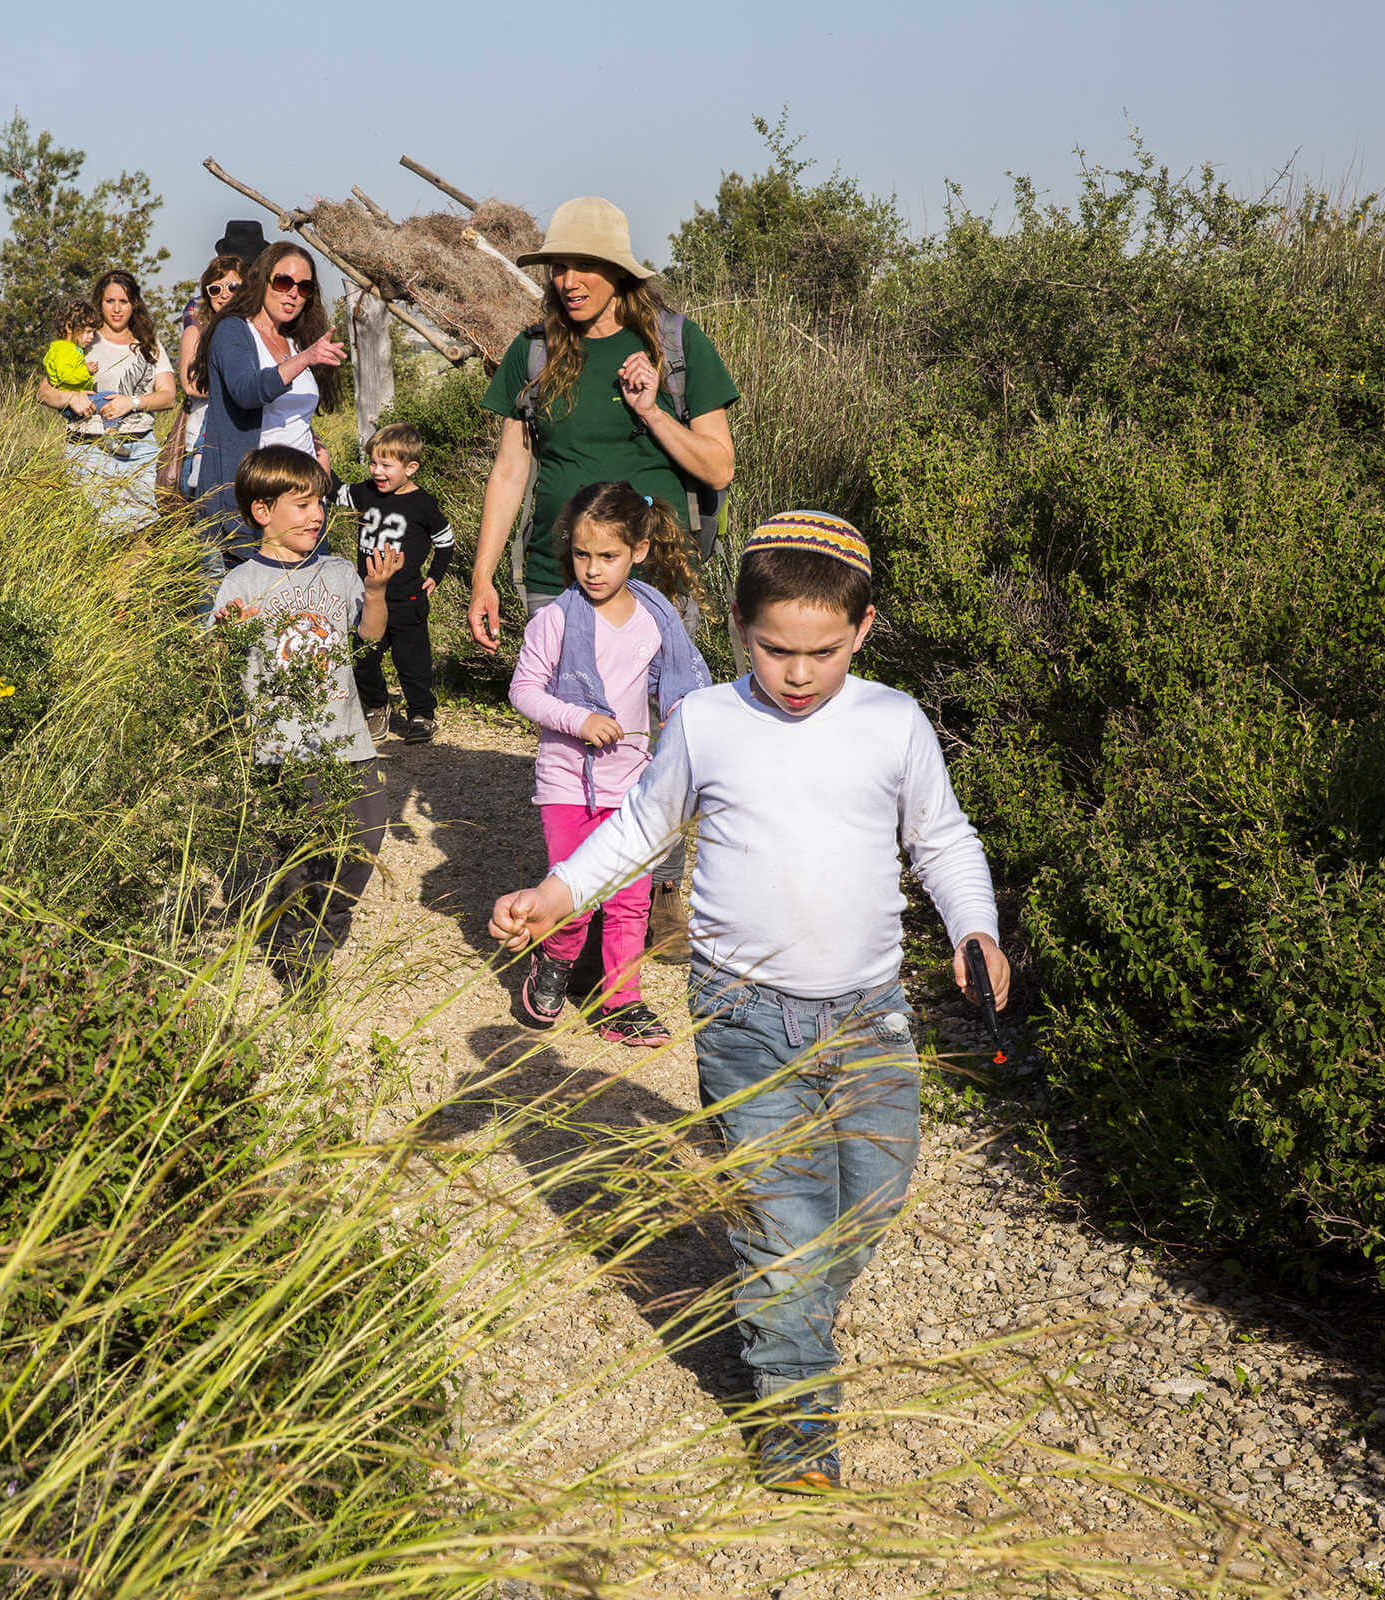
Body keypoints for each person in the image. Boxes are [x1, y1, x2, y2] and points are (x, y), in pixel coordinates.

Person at [485, 512, 1011, 1493]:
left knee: (872, 1190)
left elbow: (943, 840)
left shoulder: (894, 722)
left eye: (822, 650)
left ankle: (781, 1308)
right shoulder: (709, 723)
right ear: (737, 625)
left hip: (866, 1010)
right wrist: (556, 895)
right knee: (785, 1218)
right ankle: (796, 1421)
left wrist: (973, 927)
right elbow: (640, 830)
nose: (799, 672)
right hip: (741, 1013)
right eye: (776, 649)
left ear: (862, 629)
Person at [464, 197, 742, 953]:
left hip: (658, 580)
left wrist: (652, 410)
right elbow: (512, 468)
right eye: (558, 266)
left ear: (621, 273)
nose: (568, 280)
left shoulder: (678, 348)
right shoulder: (532, 352)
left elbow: (718, 465)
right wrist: (483, 576)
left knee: (661, 734)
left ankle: (655, 892)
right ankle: (576, 894)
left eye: (585, 265)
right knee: (573, 735)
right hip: (560, 574)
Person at [506, 483, 711, 1045]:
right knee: (570, 891)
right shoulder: (555, 619)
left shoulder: (655, 618)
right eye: (581, 555)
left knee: (628, 900)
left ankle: (622, 1000)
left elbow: (673, 687)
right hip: (567, 782)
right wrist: (579, 719)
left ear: (639, 551)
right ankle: (554, 964)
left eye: (607, 556)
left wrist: (680, 726)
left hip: (632, 785)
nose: (592, 570)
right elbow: (523, 691)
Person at [210, 445, 400, 989]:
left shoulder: (340, 572)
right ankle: (299, 949)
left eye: (319, 501)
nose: (317, 514)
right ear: (262, 512)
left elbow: (369, 636)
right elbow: (218, 657)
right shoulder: (241, 583)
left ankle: (328, 922)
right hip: (285, 748)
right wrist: (229, 632)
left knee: (364, 839)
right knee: (304, 849)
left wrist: (377, 589)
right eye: (301, 503)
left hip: (350, 740)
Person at [195, 242, 346, 567]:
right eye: (283, 282)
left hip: (305, 497)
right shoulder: (232, 331)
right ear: (262, 280)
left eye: (304, 287)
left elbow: (290, 413)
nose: (293, 293)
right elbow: (247, 391)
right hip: (255, 496)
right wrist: (304, 359)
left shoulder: (298, 338)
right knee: (252, 607)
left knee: (308, 603)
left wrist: (319, 453)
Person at [340, 422, 454, 743]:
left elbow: (445, 542)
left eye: (386, 465)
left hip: (408, 599)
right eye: (373, 463)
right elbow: (336, 491)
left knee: (412, 660)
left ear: (410, 467)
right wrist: (319, 459)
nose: (376, 471)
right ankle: (377, 706)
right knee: (364, 656)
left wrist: (435, 575)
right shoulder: (365, 492)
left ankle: (421, 714)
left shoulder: (423, 505)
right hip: (369, 597)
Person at [34, 269, 176, 528]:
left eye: (124, 301)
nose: (117, 309)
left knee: (143, 530)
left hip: (139, 448)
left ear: (134, 304)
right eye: (110, 301)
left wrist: (132, 402)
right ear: (100, 302)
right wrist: (71, 398)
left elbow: (168, 396)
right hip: (89, 449)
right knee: (99, 533)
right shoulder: (84, 340)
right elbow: (44, 392)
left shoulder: (149, 344)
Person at [168, 256, 244, 501]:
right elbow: (191, 385)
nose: (224, 295)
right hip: (204, 445)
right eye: (215, 289)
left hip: (245, 446)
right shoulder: (197, 328)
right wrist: (239, 387)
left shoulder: (255, 328)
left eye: (233, 287)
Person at [41, 298, 108, 407]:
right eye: (88, 332)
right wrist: (86, 371)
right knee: (108, 398)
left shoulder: (71, 348)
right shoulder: (65, 349)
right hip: (73, 402)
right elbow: (66, 376)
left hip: (76, 398)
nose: (92, 337)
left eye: (93, 333)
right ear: (69, 327)